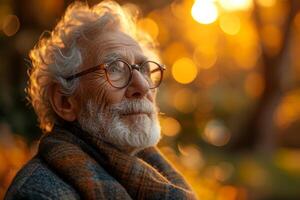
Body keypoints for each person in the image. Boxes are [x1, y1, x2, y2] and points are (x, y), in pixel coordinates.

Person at [5, 1, 196, 199]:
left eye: (145, 69)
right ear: (65, 101)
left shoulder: (159, 176)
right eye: (114, 68)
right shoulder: (39, 194)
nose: (143, 86)